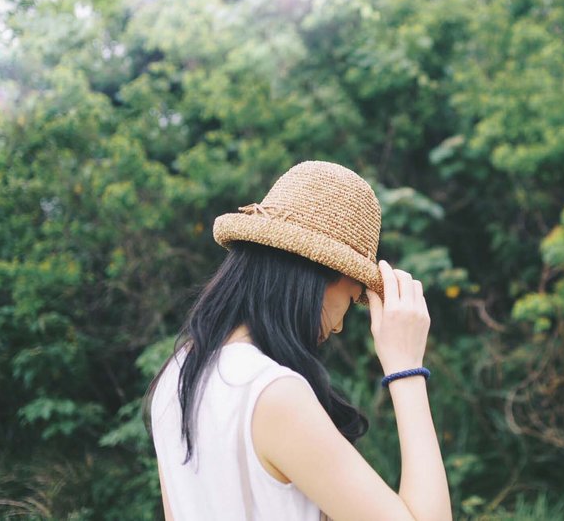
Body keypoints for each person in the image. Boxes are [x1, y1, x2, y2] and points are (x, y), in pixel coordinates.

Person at [145, 160, 452, 520]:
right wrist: (406, 370)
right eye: (352, 299)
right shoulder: (271, 392)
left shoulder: (179, 374)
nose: (339, 326)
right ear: (323, 275)